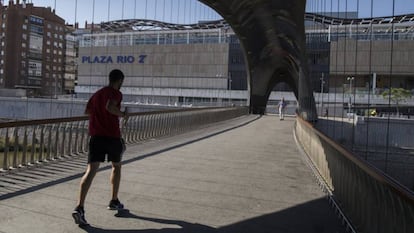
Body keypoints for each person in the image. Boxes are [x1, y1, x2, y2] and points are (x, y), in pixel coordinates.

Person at [72, 69, 128, 226]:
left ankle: (80, 207)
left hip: (96, 136)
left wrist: (99, 118)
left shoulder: (97, 94)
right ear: (120, 80)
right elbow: (110, 106)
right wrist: (122, 114)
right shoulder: (116, 93)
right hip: (112, 136)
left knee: (90, 171)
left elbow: (87, 111)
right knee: (116, 167)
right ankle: (114, 200)